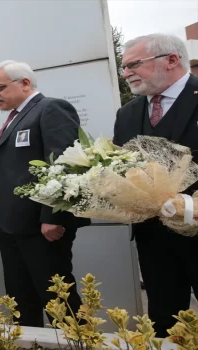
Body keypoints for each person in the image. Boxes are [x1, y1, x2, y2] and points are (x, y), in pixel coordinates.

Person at [0, 60, 90, 327]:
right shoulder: (14, 118)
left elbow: (66, 164)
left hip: (42, 227)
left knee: (57, 298)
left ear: (25, 83)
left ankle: (77, 345)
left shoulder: (50, 109)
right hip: (11, 227)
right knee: (21, 298)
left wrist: (53, 216)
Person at [113, 33, 198, 337]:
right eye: (124, 68)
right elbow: (119, 167)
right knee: (165, 322)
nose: (126, 73)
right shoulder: (127, 113)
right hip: (153, 238)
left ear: (172, 60)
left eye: (134, 64)